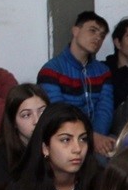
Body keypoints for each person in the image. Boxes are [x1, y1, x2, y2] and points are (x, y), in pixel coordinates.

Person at [37, 11, 116, 154]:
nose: (98, 38)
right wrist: (89, 138)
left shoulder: (103, 71)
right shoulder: (52, 70)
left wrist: (97, 137)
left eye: (102, 35)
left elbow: (105, 109)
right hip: (65, 139)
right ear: (75, 31)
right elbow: (57, 112)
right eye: (92, 31)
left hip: (99, 137)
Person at [0, 85, 49, 186]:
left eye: (42, 111)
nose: (37, 120)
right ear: (13, 122)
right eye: (26, 115)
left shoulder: (60, 144)